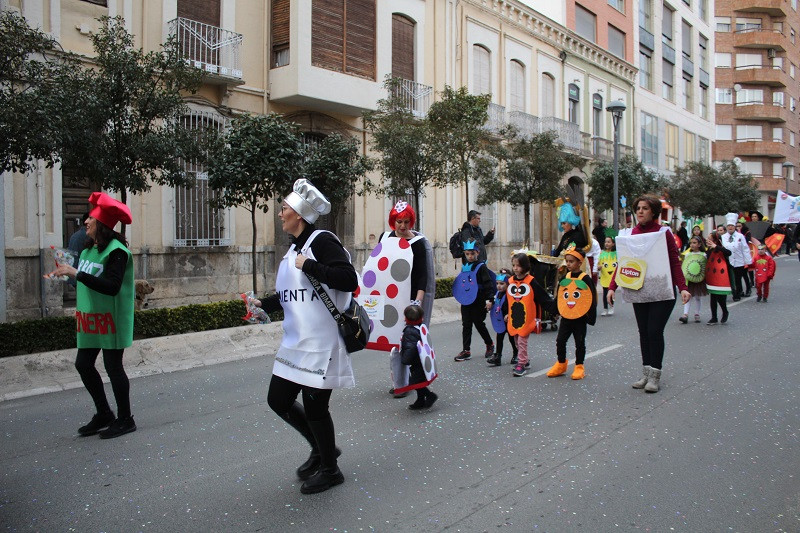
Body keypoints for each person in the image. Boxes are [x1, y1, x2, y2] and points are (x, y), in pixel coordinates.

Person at [253, 178, 356, 495]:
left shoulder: (322, 242)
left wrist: (311, 264)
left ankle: (330, 469)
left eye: (284, 208)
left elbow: (348, 279)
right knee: (278, 400)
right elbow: (294, 293)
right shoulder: (294, 249)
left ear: (298, 214)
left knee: (315, 408)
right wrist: (264, 304)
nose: (280, 213)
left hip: (321, 343)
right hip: (295, 343)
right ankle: (320, 448)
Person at [48, 193, 136, 439]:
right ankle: (104, 413)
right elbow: (85, 280)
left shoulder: (117, 251)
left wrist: (76, 273)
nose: (85, 222)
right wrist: (67, 272)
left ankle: (126, 419)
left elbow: (111, 286)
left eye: (91, 219)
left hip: (112, 318)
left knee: (113, 366)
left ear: (102, 225)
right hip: (90, 319)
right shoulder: (88, 249)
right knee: (83, 365)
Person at [607, 195, 690, 393]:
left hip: (663, 291)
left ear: (653, 211)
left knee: (654, 330)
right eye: (638, 208)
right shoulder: (631, 234)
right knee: (643, 332)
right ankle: (646, 373)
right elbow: (623, 262)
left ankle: (655, 375)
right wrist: (611, 287)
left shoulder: (664, 233)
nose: (640, 212)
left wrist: (683, 287)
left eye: (645, 208)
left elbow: (674, 261)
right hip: (640, 291)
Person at [546, 248, 596, 380]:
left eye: (571, 261)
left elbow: (590, 298)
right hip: (566, 316)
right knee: (560, 340)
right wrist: (556, 311)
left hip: (580, 317)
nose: (568, 264)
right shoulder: (565, 278)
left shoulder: (585, 279)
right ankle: (561, 363)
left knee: (579, 342)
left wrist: (589, 316)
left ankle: (579, 366)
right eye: (567, 261)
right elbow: (560, 296)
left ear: (579, 263)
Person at [506, 253, 555, 377]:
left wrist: (556, 309)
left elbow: (543, 297)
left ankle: (521, 363)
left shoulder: (531, 281)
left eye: (518, 266)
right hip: (514, 318)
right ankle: (525, 360)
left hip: (527, 317)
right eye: (513, 265)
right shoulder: (510, 281)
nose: (515, 268)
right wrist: (506, 313)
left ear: (525, 266)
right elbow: (508, 299)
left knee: (522, 341)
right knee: (517, 340)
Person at [452, 239, 495, 361]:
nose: (470, 256)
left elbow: (488, 284)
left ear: (477, 252)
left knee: (479, 323)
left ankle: (489, 344)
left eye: (472, 253)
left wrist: (490, 299)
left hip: (478, 300)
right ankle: (466, 350)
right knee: (466, 324)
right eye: (467, 254)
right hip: (466, 300)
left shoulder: (481, 267)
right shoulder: (464, 267)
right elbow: (462, 283)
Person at [398, 304, 438, 410]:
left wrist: (405, 360)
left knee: (417, 382)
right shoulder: (420, 327)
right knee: (419, 381)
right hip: (422, 360)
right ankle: (420, 400)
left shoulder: (409, 331)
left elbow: (410, 348)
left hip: (416, 361)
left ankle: (430, 396)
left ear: (406, 318)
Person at [487, 273, 517, 367]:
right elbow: (495, 303)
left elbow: (514, 306)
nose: (499, 286)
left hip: (509, 320)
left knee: (512, 338)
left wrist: (509, 314)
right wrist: (490, 305)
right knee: (499, 338)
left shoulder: (510, 294)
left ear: (508, 284)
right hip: (500, 320)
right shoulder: (498, 294)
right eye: (497, 283)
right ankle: (498, 356)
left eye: (502, 284)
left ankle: (516, 354)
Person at [721, 213, 752, 300]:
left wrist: (748, 261)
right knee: (731, 279)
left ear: (735, 227)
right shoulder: (723, 237)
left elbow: (745, 248)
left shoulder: (740, 236)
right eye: (728, 226)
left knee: (738, 278)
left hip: (739, 261)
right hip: (728, 261)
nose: (730, 227)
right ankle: (734, 293)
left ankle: (738, 292)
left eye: (732, 226)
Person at [705, 231, 733, 324]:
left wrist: (716, 247)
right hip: (712, 276)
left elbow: (729, 253)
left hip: (722, 277)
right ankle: (714, 317)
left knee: (720, 297)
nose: (708, 240)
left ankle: (725, 311)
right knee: (713, 297)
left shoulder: (720, 248)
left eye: (710, 238)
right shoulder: (708, 250)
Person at [678, 236, 708, 324]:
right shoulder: (688, 255)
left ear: (699, 244)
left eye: (694, 243)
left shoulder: (703, 255)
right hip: (689, 278)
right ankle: (685, 314)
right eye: (691, 243)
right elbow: (685, 266)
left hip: (699, 278)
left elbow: (705, 266)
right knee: (688, 296)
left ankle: (697, 313)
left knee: (698, 297)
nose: (692, 245)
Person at [598, 236, 617, 316]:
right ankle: (605, 308)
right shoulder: (602, 253)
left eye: (609, 242)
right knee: (605, 293)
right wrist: (598, 267)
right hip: (605, 276)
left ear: (613, 244)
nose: (606, 243)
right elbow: (599, 263)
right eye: (606, 242)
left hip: (613, 277)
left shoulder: (616, 253)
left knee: (611, 292)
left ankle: (611, 307)